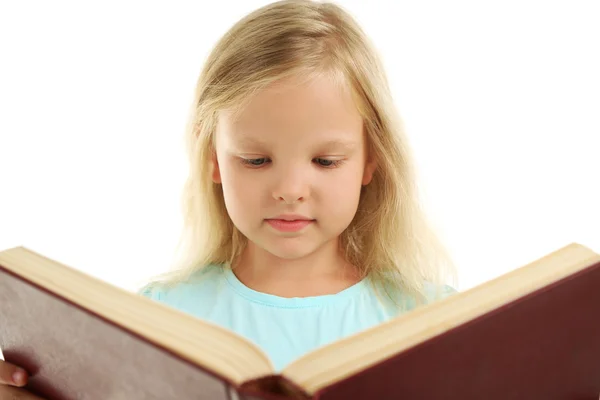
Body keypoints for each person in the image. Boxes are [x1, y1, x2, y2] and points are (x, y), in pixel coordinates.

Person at [0, 0, 457, 397]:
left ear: (371, 160)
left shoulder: (430, 319)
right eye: (256, 160)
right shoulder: (156, 319)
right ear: (213, 159)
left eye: (326, 161)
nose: (290, 190)